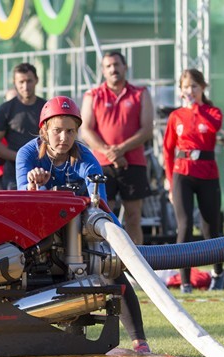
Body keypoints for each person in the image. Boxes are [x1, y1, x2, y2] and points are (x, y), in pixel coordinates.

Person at [16, 96, 151, 354]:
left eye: (70, 131)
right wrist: (36, 186)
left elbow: (98, 199)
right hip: (38, 234)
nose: (64, 138)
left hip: (78, 232)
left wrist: (118, 243)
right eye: (57, 131)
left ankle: (139, 342)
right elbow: (24, 200)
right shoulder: (28, 154)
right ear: (44, 130)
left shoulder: (84, 154)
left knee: (111, 268)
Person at [80, 51, 153, 245]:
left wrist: (120, 149)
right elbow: (86, 130)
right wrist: (109, 152)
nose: (113, 69)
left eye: (117, 65)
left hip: (133, 163)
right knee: (103, 217)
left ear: (125, 67)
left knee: (134, 217)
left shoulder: (141, 93)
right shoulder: (93, 95)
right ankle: (106, 267)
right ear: (103, 71)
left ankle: (136, 267)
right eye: (109, 66)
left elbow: (147, 130)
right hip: (101, 165)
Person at [163, 68, 224, 293]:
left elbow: (212, 127)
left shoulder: (212, 111)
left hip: (207, 172)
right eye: (186, 87)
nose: (190, 91)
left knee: (210, 226)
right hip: (182, 173)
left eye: (194, 87)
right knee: (185, 225)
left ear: (202, 88)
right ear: (180, 90)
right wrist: (169, 180)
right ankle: (185, 280)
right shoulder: (175, 116)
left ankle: (218, 273)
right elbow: (168, 150)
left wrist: (196, 107)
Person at [0, 63, 46, 190]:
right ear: (14, 82)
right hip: (14, 173)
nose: (25, 86)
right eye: (21, 82)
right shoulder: (5, 109)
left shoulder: (46, 108)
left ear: (36, 80)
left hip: (43, 171)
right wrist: (21, 157)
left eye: (29, 81)